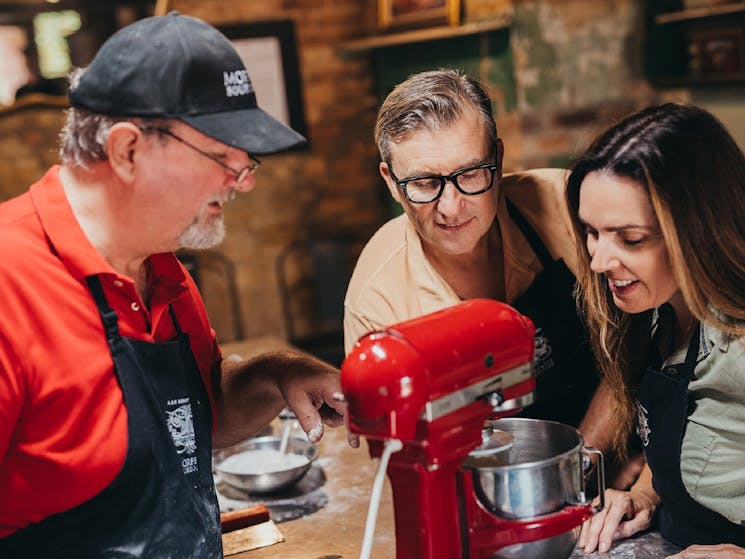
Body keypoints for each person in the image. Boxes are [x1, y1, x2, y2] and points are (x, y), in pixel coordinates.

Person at [0, 13, 356, 558]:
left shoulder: (163, 270)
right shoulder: (10, 286)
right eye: (223, 155)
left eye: (248, 157)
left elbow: (192, 423)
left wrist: (275, 375)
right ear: (126, 150)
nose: (245, 178)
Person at [344, 68, 610, 437]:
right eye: (424, 183)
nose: (451, 208)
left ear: (498, 161)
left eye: (470, 175)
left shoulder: (566, 206)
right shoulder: (378, 302)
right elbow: (401, 449)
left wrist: (593, 459)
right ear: (391, 181)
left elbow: (640, 342)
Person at [566, 103, 745, 557]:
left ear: (697, 229)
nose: (598, 261)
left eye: (631, 239)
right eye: (593, 232)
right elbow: (689, 437)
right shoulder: (658, 311)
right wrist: (646, 493)